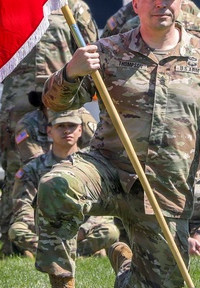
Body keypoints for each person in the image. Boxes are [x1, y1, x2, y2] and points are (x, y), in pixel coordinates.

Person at [35, 0, 200, 288]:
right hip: (108, 170)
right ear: (137, 2)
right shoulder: (109, 51)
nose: (161, 3)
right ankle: (62, 283)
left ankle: (125, 265)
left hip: (163, 189)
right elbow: (54, 104)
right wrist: (71, 71)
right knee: (56, 185)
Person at [0, 0, 97, 255]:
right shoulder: (12, 5)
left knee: (65, 169)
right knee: (18, 169)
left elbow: (91, 56)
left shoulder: (74, 9)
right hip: (18, 105)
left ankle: (71, 235)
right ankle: (14, 238)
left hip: (61, 107)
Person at [8, 110, 119, 260]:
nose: (67, 130)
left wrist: (83, 231)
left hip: (81, 230)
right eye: (60, 126)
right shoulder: (33, 168)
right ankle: (68, 252)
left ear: (80, 130)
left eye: (72, 126)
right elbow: (23, 205)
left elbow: (103, 207)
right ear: (49, 131)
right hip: (45, 230)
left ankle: (62, 253)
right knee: (17, 230)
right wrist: (42, 230)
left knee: (110, 231)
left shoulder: (92, 166)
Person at [13, 90, 96, 166]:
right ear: (43, 103)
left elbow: (97, 150)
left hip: (81, 169)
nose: (67, 130)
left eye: (71, 125)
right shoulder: (28, 125)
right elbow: (35, 166)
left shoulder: (81, 117)